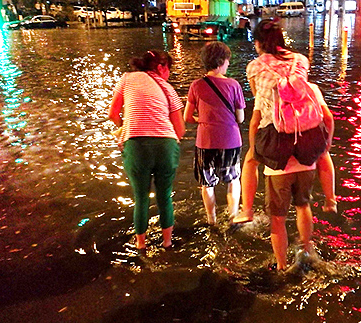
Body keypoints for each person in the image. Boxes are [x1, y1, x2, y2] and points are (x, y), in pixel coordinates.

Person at [233, 19, 337, 224]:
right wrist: (327, 142)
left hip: (275, 132)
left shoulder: (254, 67)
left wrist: (254, 146)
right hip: (305, 127)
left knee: (250, 161)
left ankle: (246, 209)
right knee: (324, 154)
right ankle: (331, 199)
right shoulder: (301, 60)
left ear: (258, 43)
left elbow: (259, 104)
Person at [250, 83, 333, 271]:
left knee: (277, 218)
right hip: (306, 160)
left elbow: (255, 124)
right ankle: (305, 248)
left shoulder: (266, 89)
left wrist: (256, 151)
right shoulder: (311, 87)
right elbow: (327, 117)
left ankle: (281, 265)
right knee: (303, 206)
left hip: (278, 166)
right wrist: (325, 147)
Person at [108, 50, 185, 250]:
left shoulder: (127, 78)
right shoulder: (168, 89)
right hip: (166, 146)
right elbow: (181, 129)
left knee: (141, 197)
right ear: (160, 67)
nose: (168, 74)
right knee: (164, 195)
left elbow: (113, 113)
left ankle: (140, 245)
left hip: (136, 145)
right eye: (168, 69)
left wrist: (123, 129)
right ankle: (167, 243)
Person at [184, 42, 246, 225]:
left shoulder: (196, 86)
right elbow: (240, 118)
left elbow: (187, 116)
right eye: (227, 61)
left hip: (205, 142)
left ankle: (212, 221)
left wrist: (203, 121)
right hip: (230, 141)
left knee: (207, 183)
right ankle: (233, 218)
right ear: (221, 61)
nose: (228, 64)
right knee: (233, 180)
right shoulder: (234, 85)